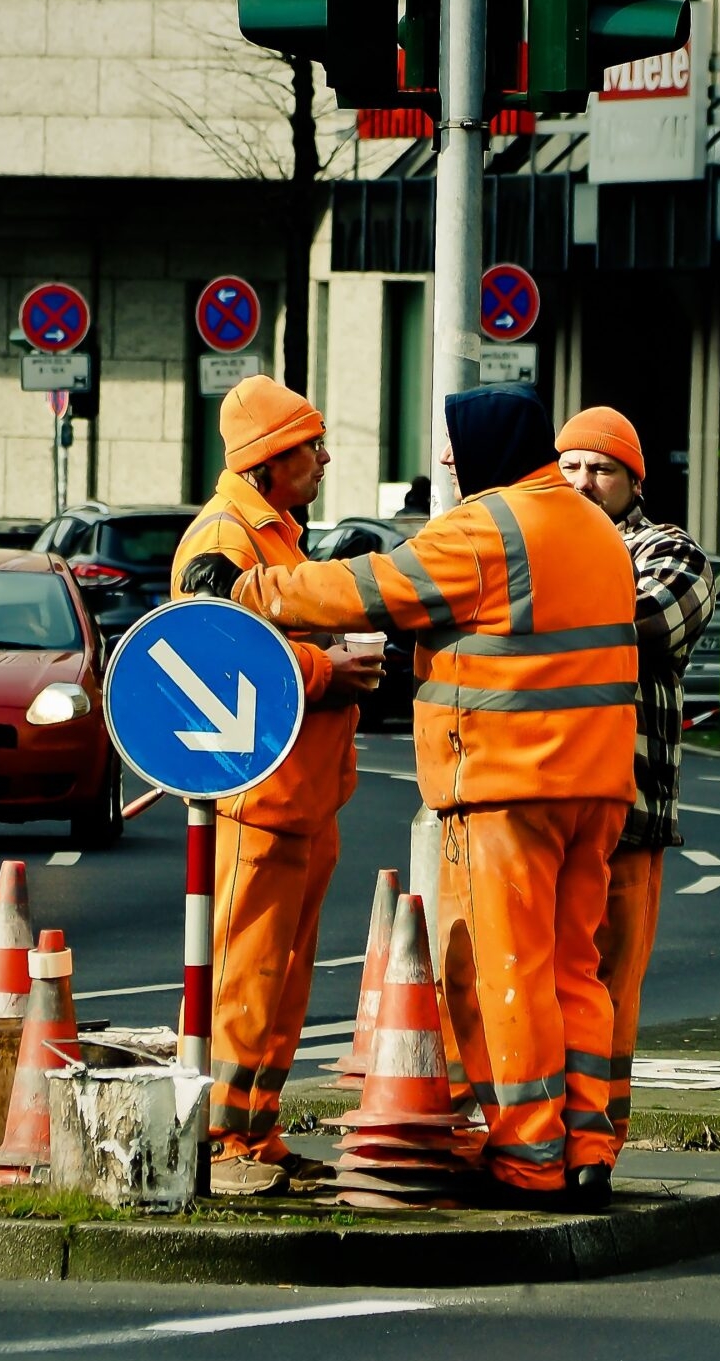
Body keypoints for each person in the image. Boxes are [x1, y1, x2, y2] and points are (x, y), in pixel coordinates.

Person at [186, 382, 638, 1210]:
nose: (446, 462)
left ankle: (532, 1157)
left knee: (506, 970)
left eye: (455, 447)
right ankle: (588, 1146)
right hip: (597, 788)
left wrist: (250, 592)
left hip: (509, 785)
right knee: (578, 967)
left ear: (488, 451)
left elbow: (373, 590)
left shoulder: (490, 526)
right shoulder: (596, 529)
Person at [172, 377, 385, 1196]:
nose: (325, 458)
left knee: (282, 975)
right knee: (246, 973)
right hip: (259, 798)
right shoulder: (224, 538)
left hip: (297, 794)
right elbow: (209, 649)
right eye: (311, 446)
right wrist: (327, 668)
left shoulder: (274, 536)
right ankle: (225, 1139)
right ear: (268, 460)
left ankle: (254, 1135)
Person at [554, 407, 714, 1152]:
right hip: (544, 802)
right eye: (572, 467)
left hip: (630, 811)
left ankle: (598, 1140)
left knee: (611, 985)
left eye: (602, 470)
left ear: (632, 481)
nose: (584, 482)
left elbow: (645, 620)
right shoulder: (542, 541)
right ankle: (535, 1133)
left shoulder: (670, 551)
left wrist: (538, 603)